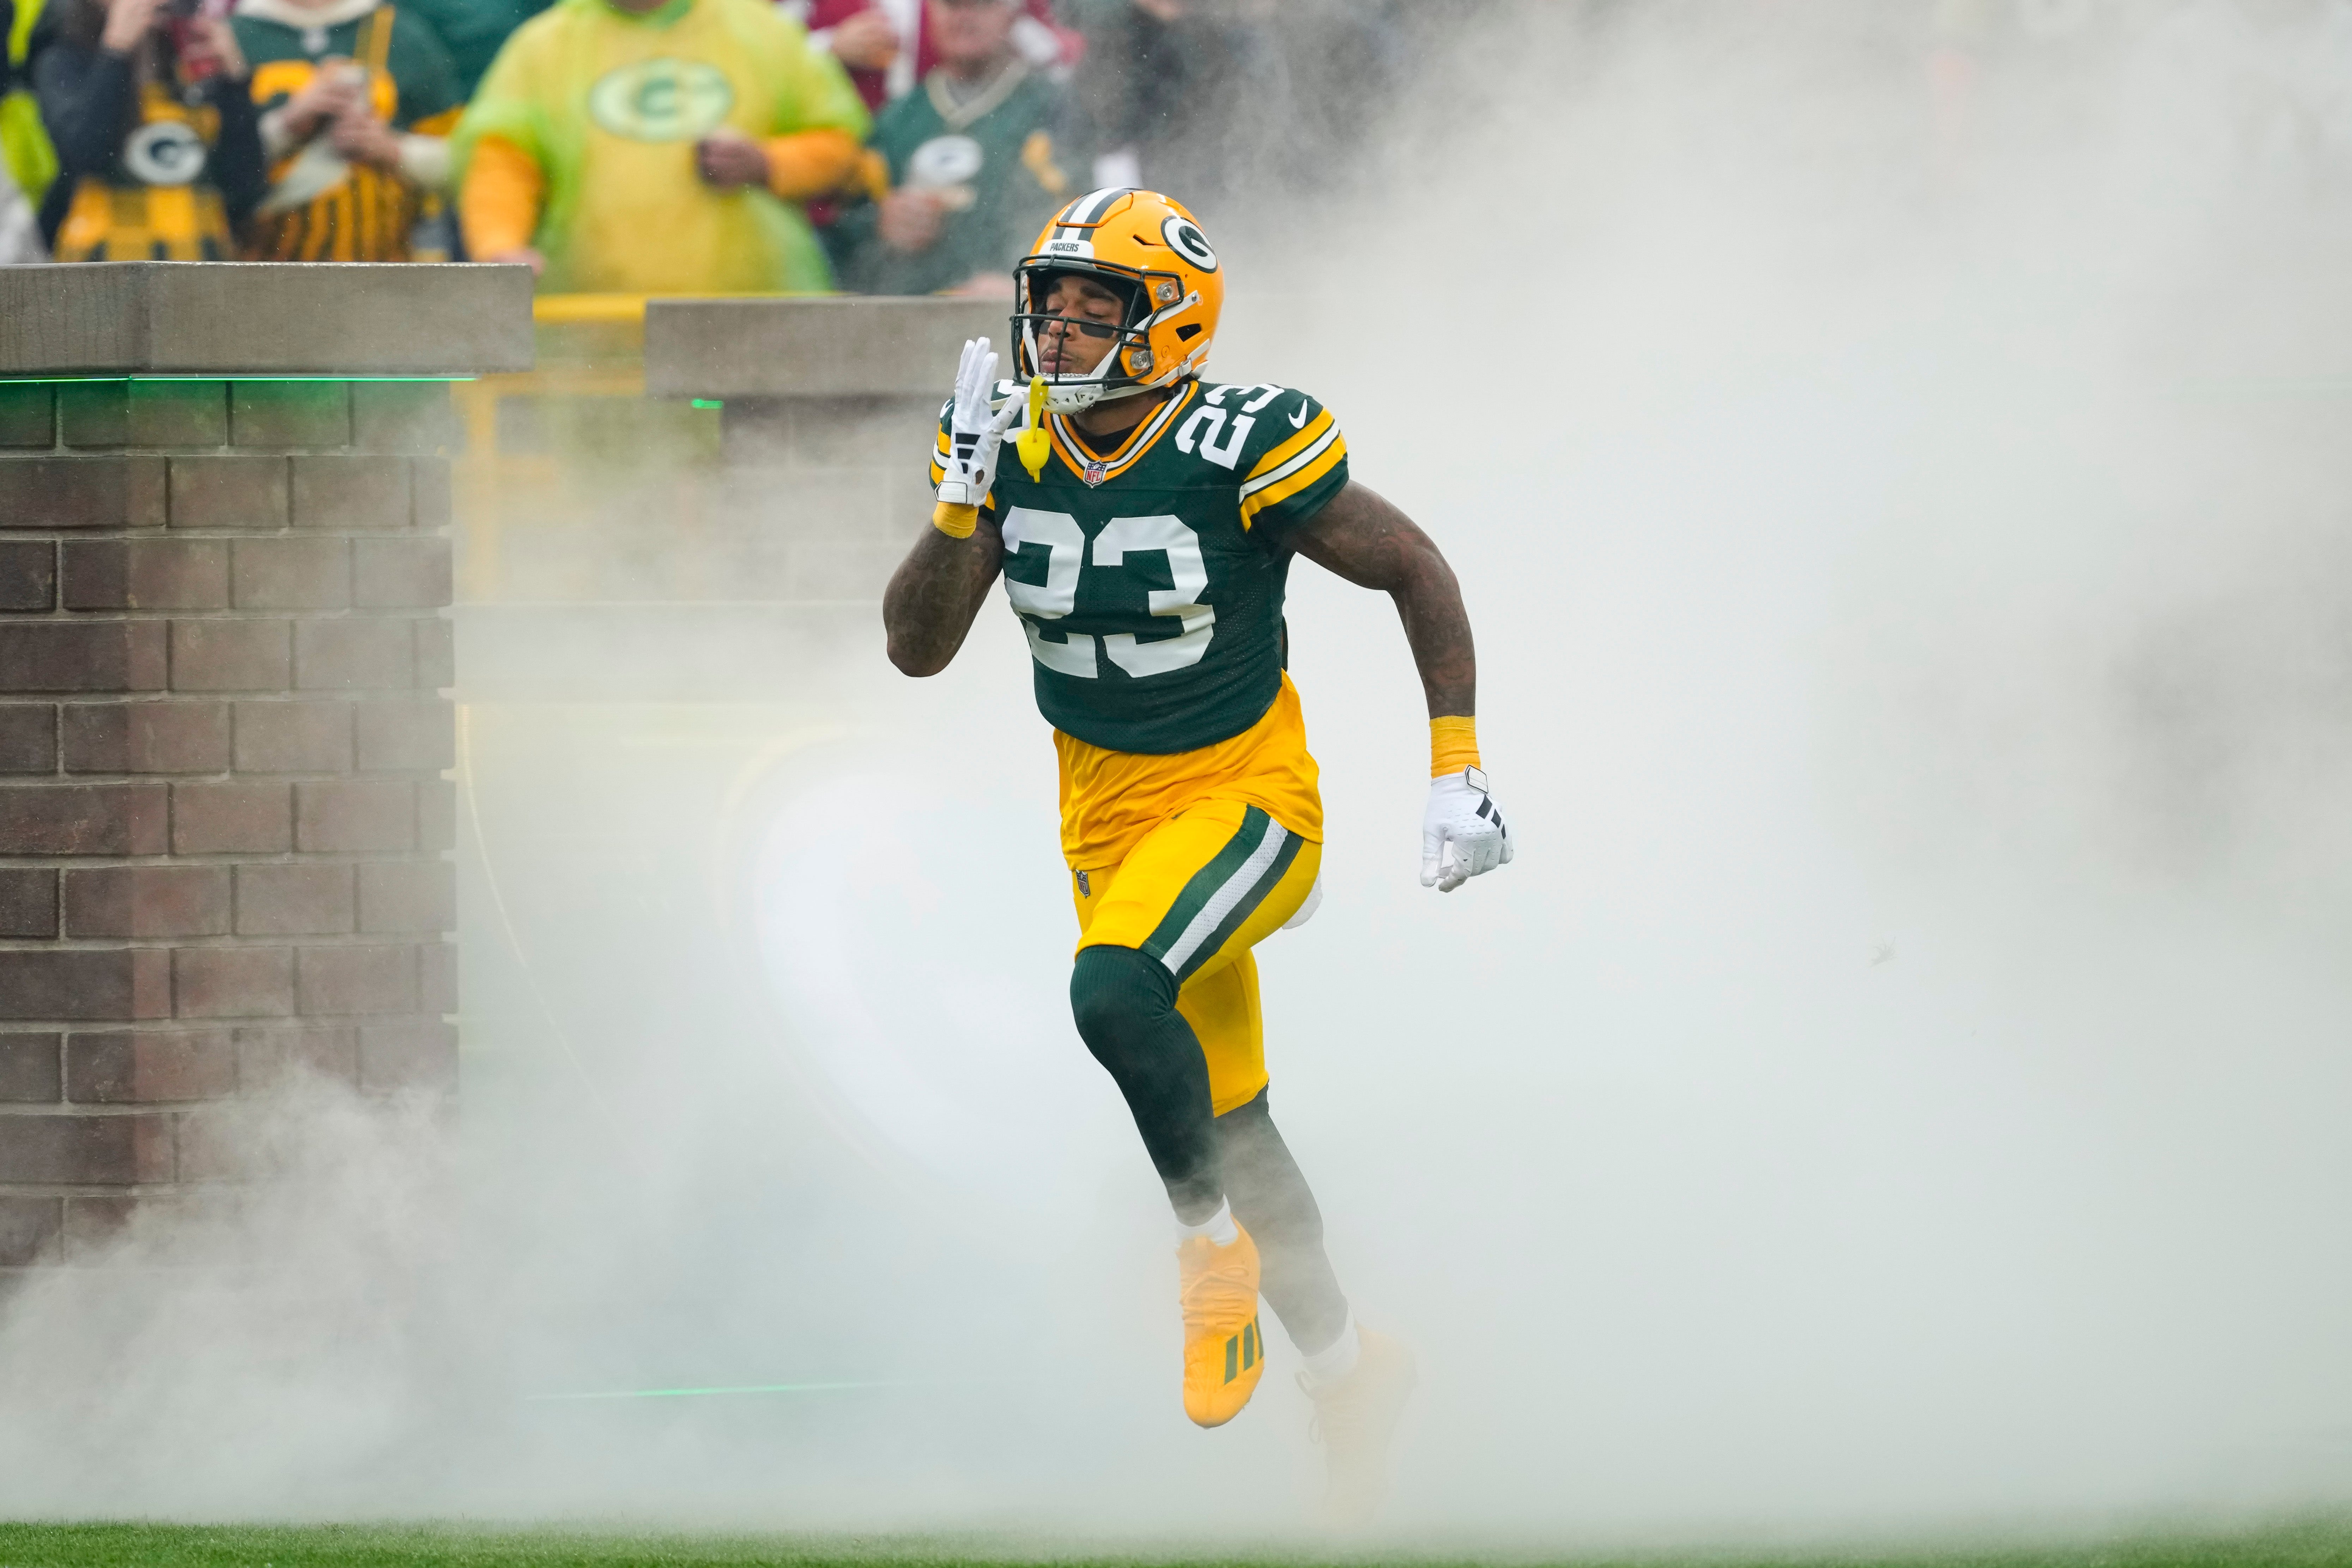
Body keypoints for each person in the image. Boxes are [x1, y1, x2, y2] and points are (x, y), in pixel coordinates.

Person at [881, 188, 1513, 1524]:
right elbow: (917, 649)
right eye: (1047, 305)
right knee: (1232, 1119)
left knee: (1113, 995)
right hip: (1105, 825)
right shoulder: (1009, 445)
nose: (1056, 333)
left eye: (1092, 308)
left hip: (1249, 805)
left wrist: (1454, 763)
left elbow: (1415, 566)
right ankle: (1351, 1374)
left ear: (1168, 324)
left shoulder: (1240, 440)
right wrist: (954, 508)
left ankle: (1202, 1251)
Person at [450, 0, 867, 293]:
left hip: (750, 323)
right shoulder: (543, 46)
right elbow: (501, 160)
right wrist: (501, 246)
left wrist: (766, 163)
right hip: (591, 333)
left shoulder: (761, 29)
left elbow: (841, 146)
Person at [827, 0, 1081, 297]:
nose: (964, 17)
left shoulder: (1055, 110)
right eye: (952, 4)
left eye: (979, 5)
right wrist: (880, 222)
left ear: (1013, 13)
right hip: (908, 319)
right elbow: (839, 229)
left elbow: (1089, 220)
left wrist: (1026, 286)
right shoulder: (898, 120)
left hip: (1011, 322)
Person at [232, 0, 462, 260]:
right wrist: (287, 126)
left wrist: (391, 149)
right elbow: (204, 166)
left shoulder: (400, 33)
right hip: (259, 267)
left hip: (389, 268)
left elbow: (465, 166)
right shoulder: (232, 36)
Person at [34, 0, 265, 258]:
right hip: (103, 267)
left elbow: (245, 187)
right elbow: (87, 154)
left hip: (200, 263)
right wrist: (116, 50)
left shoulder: (195, 57)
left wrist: (235, 83)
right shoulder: (64, 58)